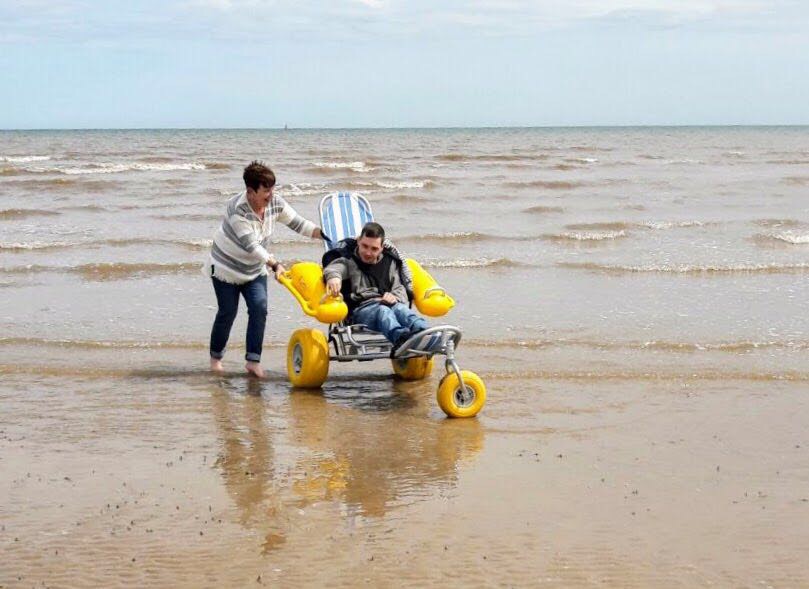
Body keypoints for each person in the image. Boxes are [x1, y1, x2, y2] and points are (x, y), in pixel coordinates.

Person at [208, 161, 324, 377]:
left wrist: (322, 233)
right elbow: (252, 246)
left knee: (259, 308)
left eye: (272, 189)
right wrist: (275, 265)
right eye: (266, 190)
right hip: (226, 268)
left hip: (254, 269)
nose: (271, 194)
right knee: (228, 312)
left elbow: (298, 224)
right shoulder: (237, 210)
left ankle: (253, 361)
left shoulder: (275, 203)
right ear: (250, 191)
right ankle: (216, 359)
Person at [323, 222, 430, 351]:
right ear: (358, 242)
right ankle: (401, 339)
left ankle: (427, 334)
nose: (368, 252)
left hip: (389, 305)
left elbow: (400, 288)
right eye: (365, 246)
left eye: (374, 249)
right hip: (361, 310)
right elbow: (334, 269)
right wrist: (334, 277)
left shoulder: (389, 262)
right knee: (383, 311)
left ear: (381, 248)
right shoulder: (348, 261)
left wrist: (394, 296)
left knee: (402, 310)